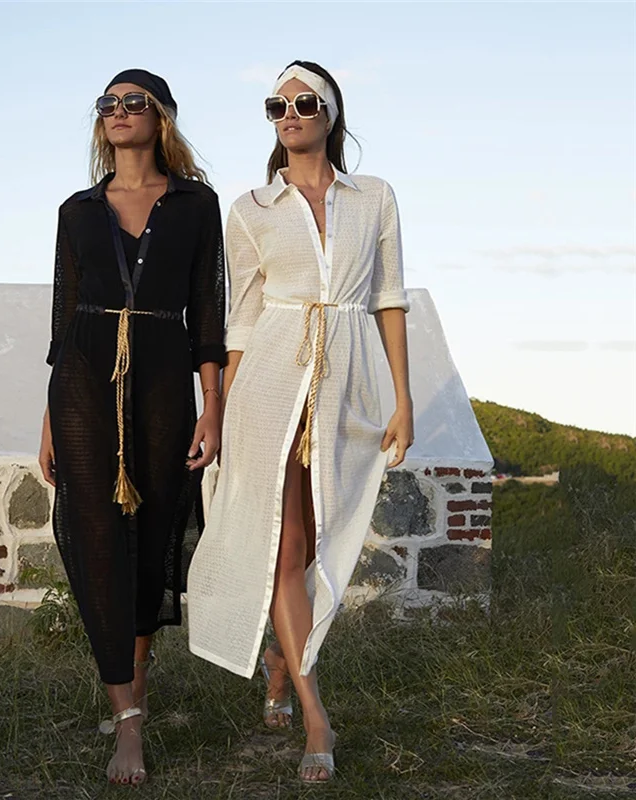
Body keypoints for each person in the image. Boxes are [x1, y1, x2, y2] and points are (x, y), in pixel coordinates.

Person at [187, 60, 414, 784]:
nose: (289, 113)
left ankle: (280, 664)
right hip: (269, 387)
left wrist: (403, 399)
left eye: (305, 102)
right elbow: (241, 320)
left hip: (347, 385)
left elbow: (389, 299)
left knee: (321, 539)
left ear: (331, 114)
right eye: (277, 105)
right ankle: (317, 714)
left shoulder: (375, 197)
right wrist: (218, 409)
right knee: (285, 550)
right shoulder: (251, 208)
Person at [38, 68, 226, 786]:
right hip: (83, 383)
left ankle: (135, 693)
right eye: (108, 104)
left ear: (161, 117)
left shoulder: (196, 205)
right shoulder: (77, 211)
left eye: (133, 102)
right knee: (93, 537)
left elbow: (208, 315)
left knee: (151, 537)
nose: (118, 112)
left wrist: (213, 405)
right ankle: (127, 719)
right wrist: (50, 418)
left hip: (163, 379)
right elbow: (63, 321)